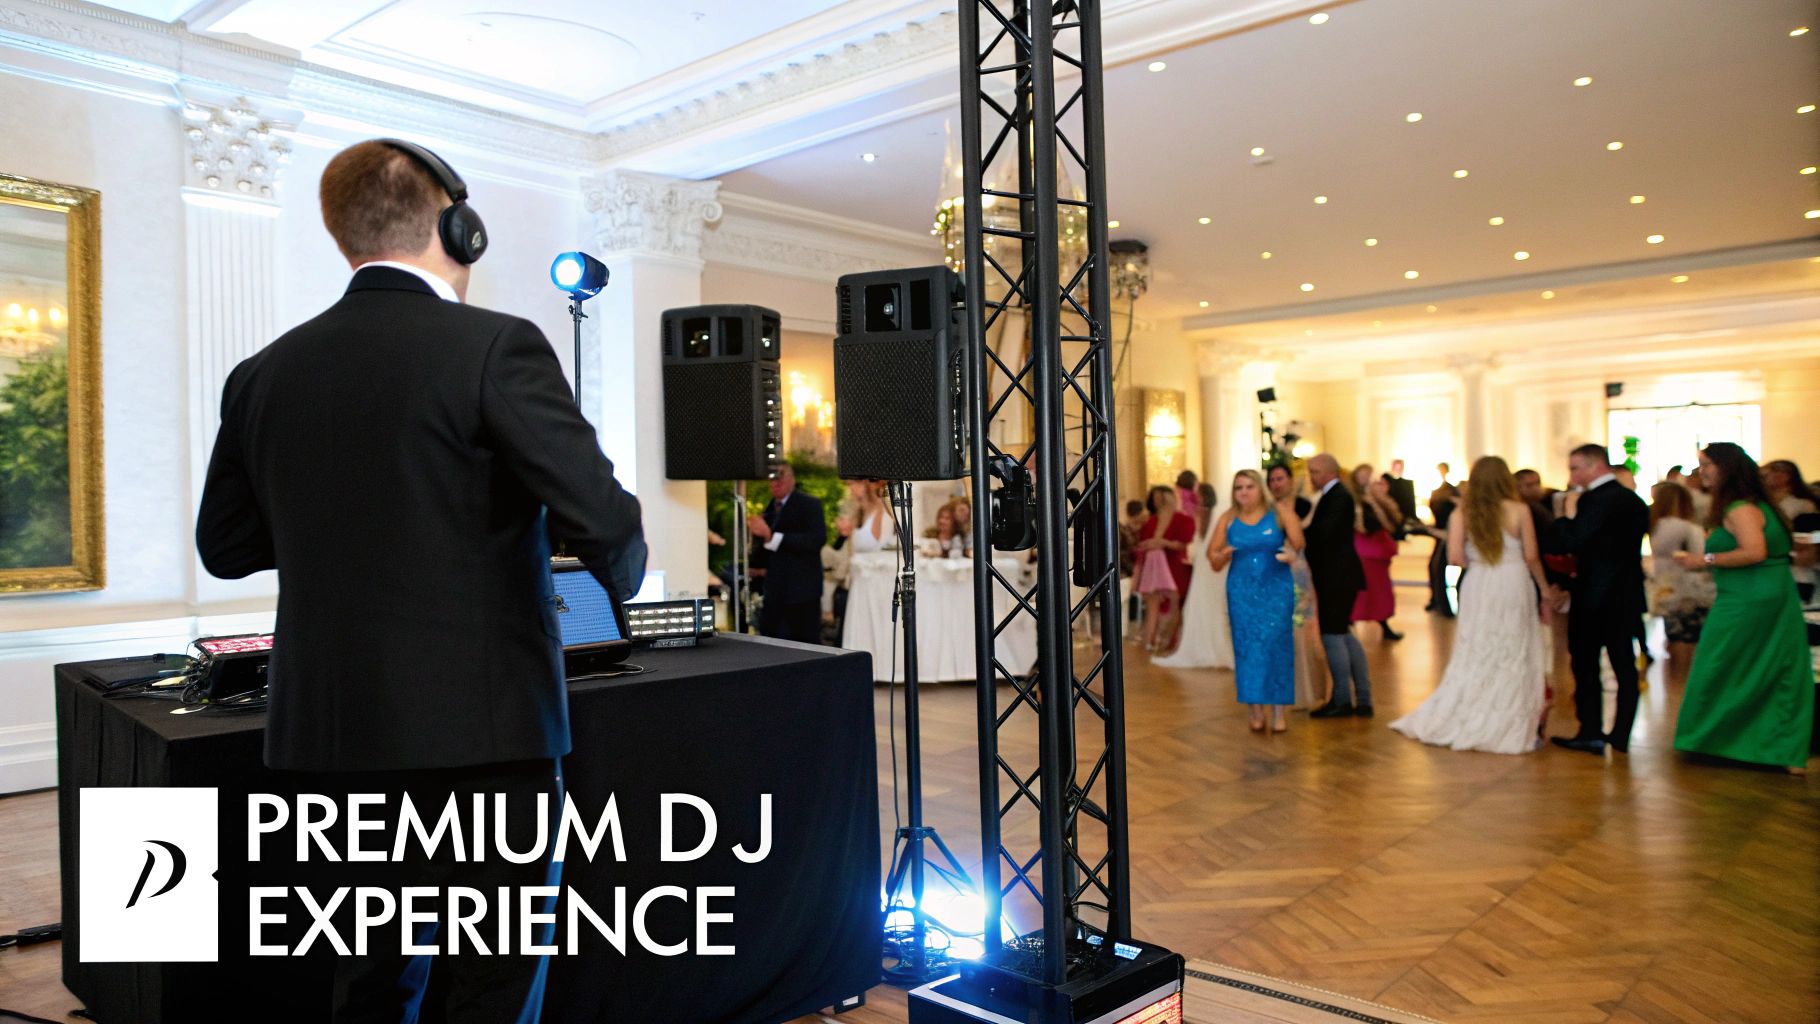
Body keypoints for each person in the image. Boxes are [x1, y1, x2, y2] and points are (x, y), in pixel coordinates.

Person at [195, 139, 646, 1023]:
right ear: (457, 227)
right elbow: (607, 526)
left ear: (345, 234)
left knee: (369, 979)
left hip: (330, 736)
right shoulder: (496, 347)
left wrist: (346, 533)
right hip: (486, 736)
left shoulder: (262, 374)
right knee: (492, 982)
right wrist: (612, 568)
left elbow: (227, 544)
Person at [1391, 457, 1552, 754]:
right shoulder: (1519, 510)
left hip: (1479, 583)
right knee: (1513, 647)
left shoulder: (1462, 513)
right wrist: (1544, 590)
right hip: (1513, 581)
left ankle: (1471, 711)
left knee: (1476, 646)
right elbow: (1531, 556)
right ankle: (1510, 718)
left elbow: (1455, 558)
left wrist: (1479, 559)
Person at [1672, 444, 1815, 772]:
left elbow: (1754, 552)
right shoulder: (1761, 504)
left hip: (1748, 597)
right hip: (1767, 591)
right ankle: (1769, 746)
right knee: (1771, 666)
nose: (1702, 472)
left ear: (1726, 467)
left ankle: (1716, 738)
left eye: (1707, 465)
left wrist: (1703, 560)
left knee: (1721, 662)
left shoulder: (1740, 507)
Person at [1548, 444, 1650, 755]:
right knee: (1624, 666)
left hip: (1594, 597)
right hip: (1626, 594)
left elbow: (1573, 541)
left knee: (1586, 665)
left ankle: (1590, 731)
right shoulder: (1634, 501)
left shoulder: (1593, 500)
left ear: (1595, 466)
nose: (1572, 475)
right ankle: (1621, 734)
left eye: (1575, 467)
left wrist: (1564, 516)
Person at [1207, 470, 1304, 732]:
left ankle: (1279, 711)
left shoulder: (1279, 513)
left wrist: (1291, 554)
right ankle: (1255, 710)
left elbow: (1298, 544)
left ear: (1260, 488)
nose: (1244, 492)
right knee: (1247, 648)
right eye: (1239, 487)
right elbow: (1213, 559)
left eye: (1249, 486)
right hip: (1242, 592)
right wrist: (1223, 555)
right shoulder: (1228, 518)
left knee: (1277, 645)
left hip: (1276, 589)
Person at [1304, 454, 1374, 718]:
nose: (1311, 476)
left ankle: (1342, 699)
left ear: (1330, 472)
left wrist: (1299, 533)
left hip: (1336, 576)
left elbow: (1324, 533)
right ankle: (1362, 698)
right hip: (1339, 575)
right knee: (1343, 634)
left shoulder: (1338, 496)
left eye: (1315, 471)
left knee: (1332, 636)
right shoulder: (1335, 495)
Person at [1155, 482, 1234, 669]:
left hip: (1207, 568)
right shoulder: (1210, 514)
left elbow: (1204, 541)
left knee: (1206, 606)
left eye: (1197, 497)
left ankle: (1208, 647)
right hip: (1205, 569)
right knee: (1208, 607)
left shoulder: (1209, 515)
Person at [747, 463, 828, 644]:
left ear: (792, 480)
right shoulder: (769, 509)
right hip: (775, 592)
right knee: (773, 642)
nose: (775, 483)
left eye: (780, 478)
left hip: (801, 592)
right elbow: (767, 548)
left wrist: (772, 537)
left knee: (804, 644)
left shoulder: (809, 504)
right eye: (772, 479)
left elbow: (816, 540)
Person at [1268, 462, 1325, 709]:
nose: (1276, 484)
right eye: (1272, 480)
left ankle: (1306, 689)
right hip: (1272, 573)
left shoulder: (1303, 506)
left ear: (1291, 480)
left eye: (1280, 478)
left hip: (1296, 570)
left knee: (1301, 626)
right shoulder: (1267, 510)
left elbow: (1300, 542)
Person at [1646, 481, 1714, 671]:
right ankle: (1684, 679)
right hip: (1689, 588)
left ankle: (1672, 678)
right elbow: (1700, 555)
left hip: (1663, 586)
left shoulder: (1655, 526)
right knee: (1690, 639)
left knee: (1673, 637)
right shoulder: (1689, 528)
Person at [1134, 485, 1195, 651]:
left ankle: (1168, 639)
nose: (1157, 501)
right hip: (1153, 568)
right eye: (1155, 498)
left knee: (1175, 603)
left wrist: (1163, 543)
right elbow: (1141, 545)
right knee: (1153, 604)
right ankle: (1151, 640)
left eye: (1160, 498)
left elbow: (1183, 544)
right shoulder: (1151, 521)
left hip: (1175, 567)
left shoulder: (1182, 520)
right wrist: (1149, 545)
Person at [1349, 464, 1403, 641]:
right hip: (1364, 549)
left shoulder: (1378, 498)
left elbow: (1393, 521)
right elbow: (1362, 526)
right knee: (1363, 591)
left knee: (1381, 589)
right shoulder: (1355, 501)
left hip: (1378, 547)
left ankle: (1383, 622)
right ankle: (1352, 623)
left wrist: (1378, 501)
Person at [1384, 459, 1419, 528]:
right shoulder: (1387, 482)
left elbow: (1411, 503)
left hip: (1405, 518)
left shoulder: (1407, 484)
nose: (1398, 470)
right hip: (1391, 518)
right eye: (1396, 468)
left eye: (1399, 468)